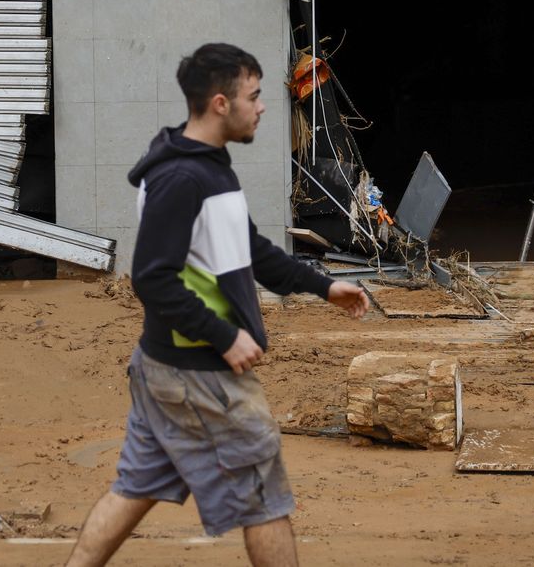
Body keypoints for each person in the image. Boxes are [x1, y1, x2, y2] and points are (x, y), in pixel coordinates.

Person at [66, 43, 370, 567]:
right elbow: (152, 278)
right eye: (253, 95)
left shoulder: (209, 167)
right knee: (265, 501)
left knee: (134, 488)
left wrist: (323, 286)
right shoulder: (182, 179)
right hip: (198, 373)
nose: (264, 105)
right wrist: (225, 336)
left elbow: (251, 250)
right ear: (220, 104)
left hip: (168, 369)